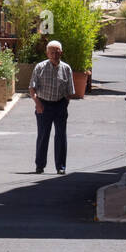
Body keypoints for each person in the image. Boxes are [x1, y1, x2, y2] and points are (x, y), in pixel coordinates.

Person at [29, 40, 77, 174]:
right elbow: (32, 88)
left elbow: (70, 90)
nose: (55, 55)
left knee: (61, 136)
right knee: (43, 135)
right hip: (43, 105)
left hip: (60, 105)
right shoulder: (40, 67)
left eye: (57, 52)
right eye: (52, 52)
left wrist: (65, 103)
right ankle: (40, 165)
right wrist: (37, 103)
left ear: (61, 52)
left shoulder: (66, 68)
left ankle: (61, 167)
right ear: (47, 53)